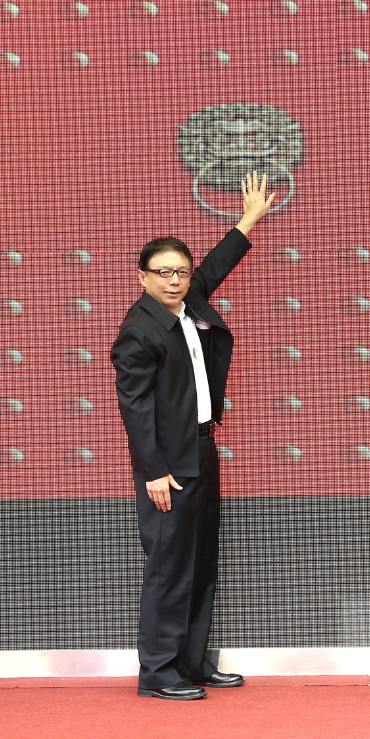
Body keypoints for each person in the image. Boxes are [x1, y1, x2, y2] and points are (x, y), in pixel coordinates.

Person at [111, 172, 275, 700]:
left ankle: (193, 662)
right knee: (169, 568)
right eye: (163, 273)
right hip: (169, 465)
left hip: (203, 448)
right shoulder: (138, 332)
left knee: (202, 561)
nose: (175, 281)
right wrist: (154, 471)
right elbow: (135, 410)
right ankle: (159, 673)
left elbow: (215, 265)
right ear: (142, 277)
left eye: (180, 271)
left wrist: (248, 219)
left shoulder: (190, 302)